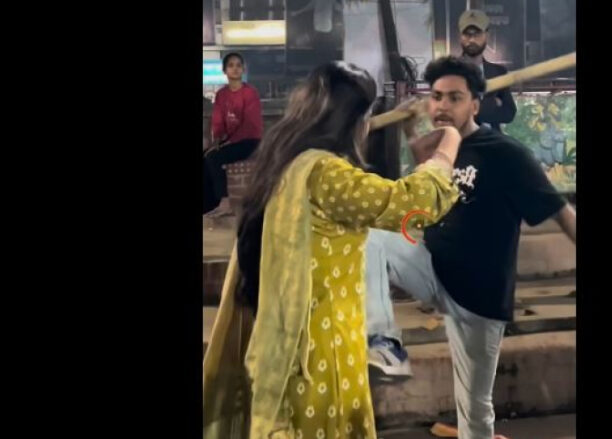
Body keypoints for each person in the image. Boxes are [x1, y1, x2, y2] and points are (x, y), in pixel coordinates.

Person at [203, 61, 464, 439]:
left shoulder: (287, 163)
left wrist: (413, 133)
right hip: (319, 356)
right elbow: (412, 204)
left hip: (297, 343)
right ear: (353, 122)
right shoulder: (325, 174)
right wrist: (449, 143)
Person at [365, 56, 576, 439]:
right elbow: (429, 175)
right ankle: (382, 343)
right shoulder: (443, 145)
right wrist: (410, 128)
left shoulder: (506, 153)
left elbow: (561, 212)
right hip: (433, 269)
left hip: (478, 298)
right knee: (371, 237)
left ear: (475, 105)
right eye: (437, 97)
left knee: (475, 408)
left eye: (455, 98)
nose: (442, 106)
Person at [204, 52, 264, 216]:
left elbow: (250, 124)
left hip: (250, 141)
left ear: (243, 69)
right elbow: (218, 121)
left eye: (238, 65)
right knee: (206, 155)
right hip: (231, 141)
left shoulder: (250, 93)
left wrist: (229, 142)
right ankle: (208, 204)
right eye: (231, 65)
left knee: (214, 158)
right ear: (225, 71)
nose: (235, 69)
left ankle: (225, 202)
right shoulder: (221, 95)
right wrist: (218, 139)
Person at [458, 9, 517, 133]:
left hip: (492, 141)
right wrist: (491, 104)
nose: (472, 40)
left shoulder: (498, 72)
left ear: (487, 35)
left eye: (477, 34)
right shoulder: (449, 71)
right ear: (460, 36)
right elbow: (452, 114)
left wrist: (471, 108)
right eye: (467, 34)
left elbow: (509, 114)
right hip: (461, 141)